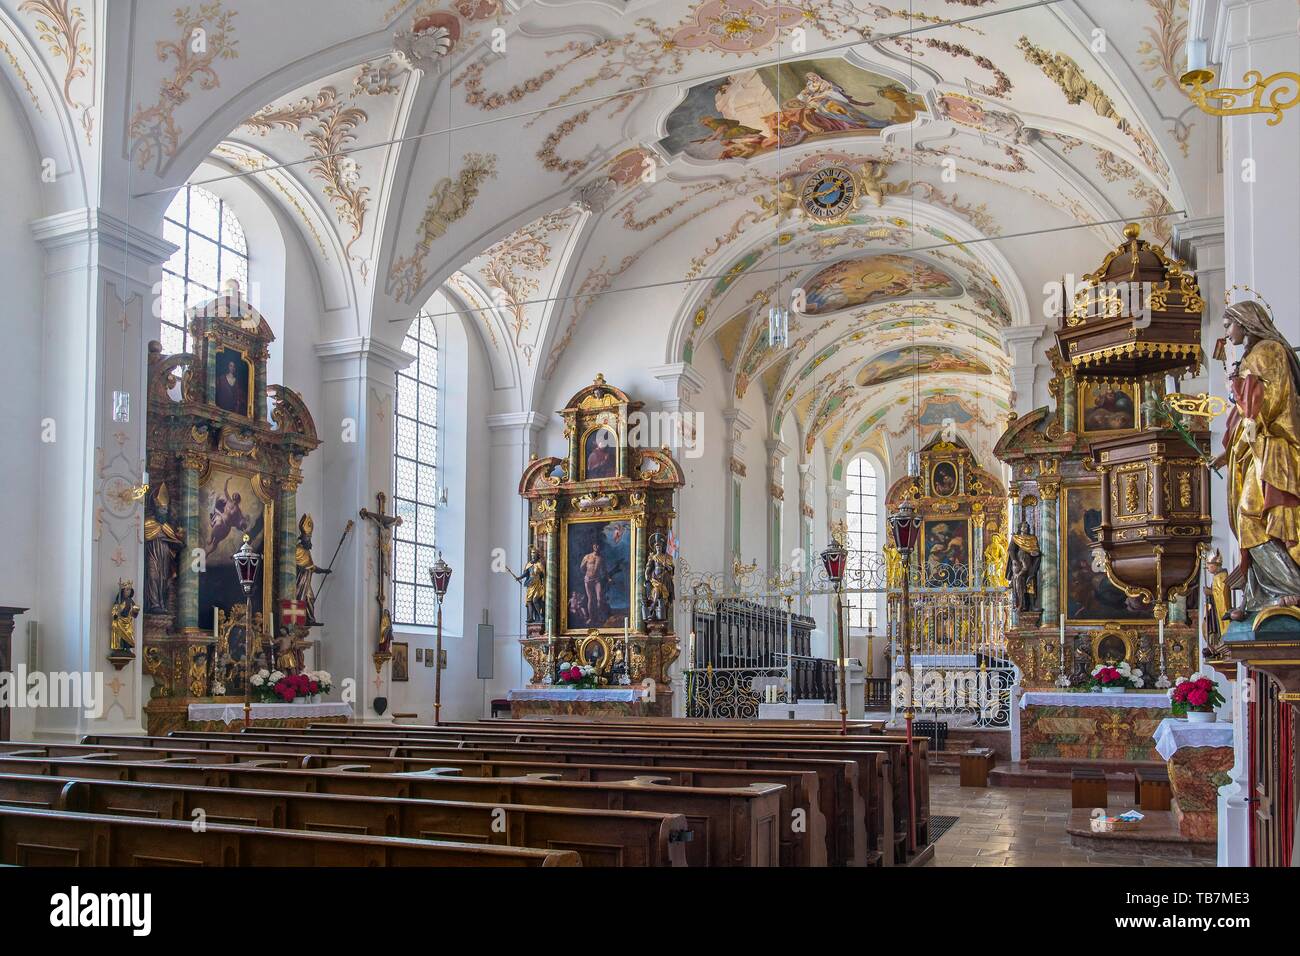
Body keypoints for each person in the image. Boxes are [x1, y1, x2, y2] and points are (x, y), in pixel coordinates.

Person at [1216, 300, 1300, 616]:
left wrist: (1237, 387)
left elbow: (1272, 402)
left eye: (1228, 325)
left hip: (1275, 448)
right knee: (1250, 516)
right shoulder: (1255, 355)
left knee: (1255, 515)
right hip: (1256, 450)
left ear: (1245, 322)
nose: (1226, 332)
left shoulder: (1269, 351)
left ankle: (1290, 587)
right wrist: (1227, 454)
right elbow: (1244, 419)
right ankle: (1262, 595)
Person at [580, 541, 605, 626]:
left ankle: (598, 616)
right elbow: (582, 567)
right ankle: (591, 618)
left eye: (598, 545)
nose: (596, 547)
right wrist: (587, 575)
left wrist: (608, 578)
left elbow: (604, 570)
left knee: (599, 598)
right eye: (595, 545)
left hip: (597, 580)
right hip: (588, 580)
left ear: (599, 547)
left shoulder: (601, 558)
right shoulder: (587, 557)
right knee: (590, 599)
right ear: (593, 546)